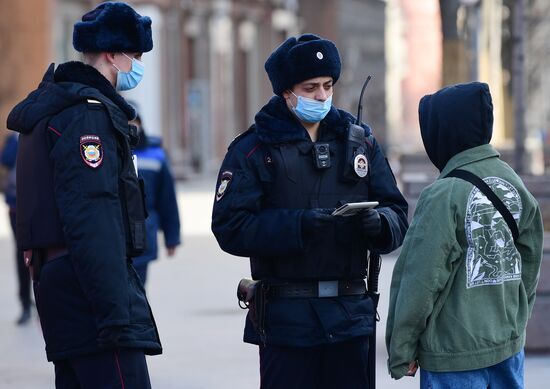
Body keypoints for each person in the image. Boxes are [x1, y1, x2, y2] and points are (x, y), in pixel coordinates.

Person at [211, 33, 409, 388]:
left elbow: (397, 212)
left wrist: (378, 225)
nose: (321, 96)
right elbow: (229, 226)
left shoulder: (359, 141)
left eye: (327, 85)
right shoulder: (254, 150)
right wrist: (297, 226)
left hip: (350, 317)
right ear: (286, 92)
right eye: (310, 88)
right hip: (287, 322)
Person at [6, 2, 162, 388]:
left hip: (58, 282)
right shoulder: (88, 116)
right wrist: (117, 317)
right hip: (90, 290)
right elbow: (94, 216)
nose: (139, 66)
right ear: (113, 55)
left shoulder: (52, 110)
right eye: (137, 56)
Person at [385, 82, 543, 388]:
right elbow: (531, 260)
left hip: (452, 355)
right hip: (507, 347)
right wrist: (515, 320)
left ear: (443, 134)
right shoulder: (513, 183)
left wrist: (402, 349)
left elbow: (419, 278)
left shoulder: (443, 195)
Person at [130, 108, 181, 285]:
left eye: (133, 122)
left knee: (138, 288)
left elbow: (167, 199)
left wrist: (172, 237)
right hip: (114, 235)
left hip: (144, 230)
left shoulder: (156, 156)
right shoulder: (108, 150)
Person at [0, 133, 32, 325]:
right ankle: (25, 303)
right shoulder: (14, 138)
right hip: (17, 206)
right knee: (23, 254)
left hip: (41, 206)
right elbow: (5, 160)